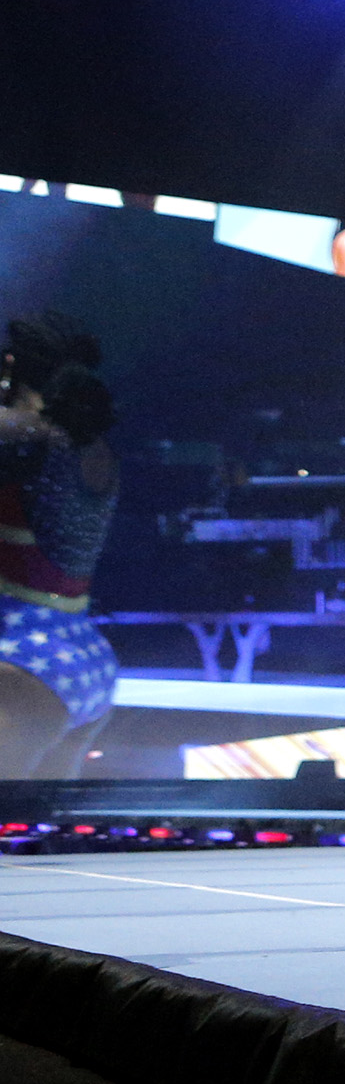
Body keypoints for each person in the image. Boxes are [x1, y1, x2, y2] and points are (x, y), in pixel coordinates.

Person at [0, 314, 120, 780]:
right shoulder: (91, 447)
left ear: (10, 365)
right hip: (77, 657)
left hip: (16, 655)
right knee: (34, 838)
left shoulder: (21, 433)